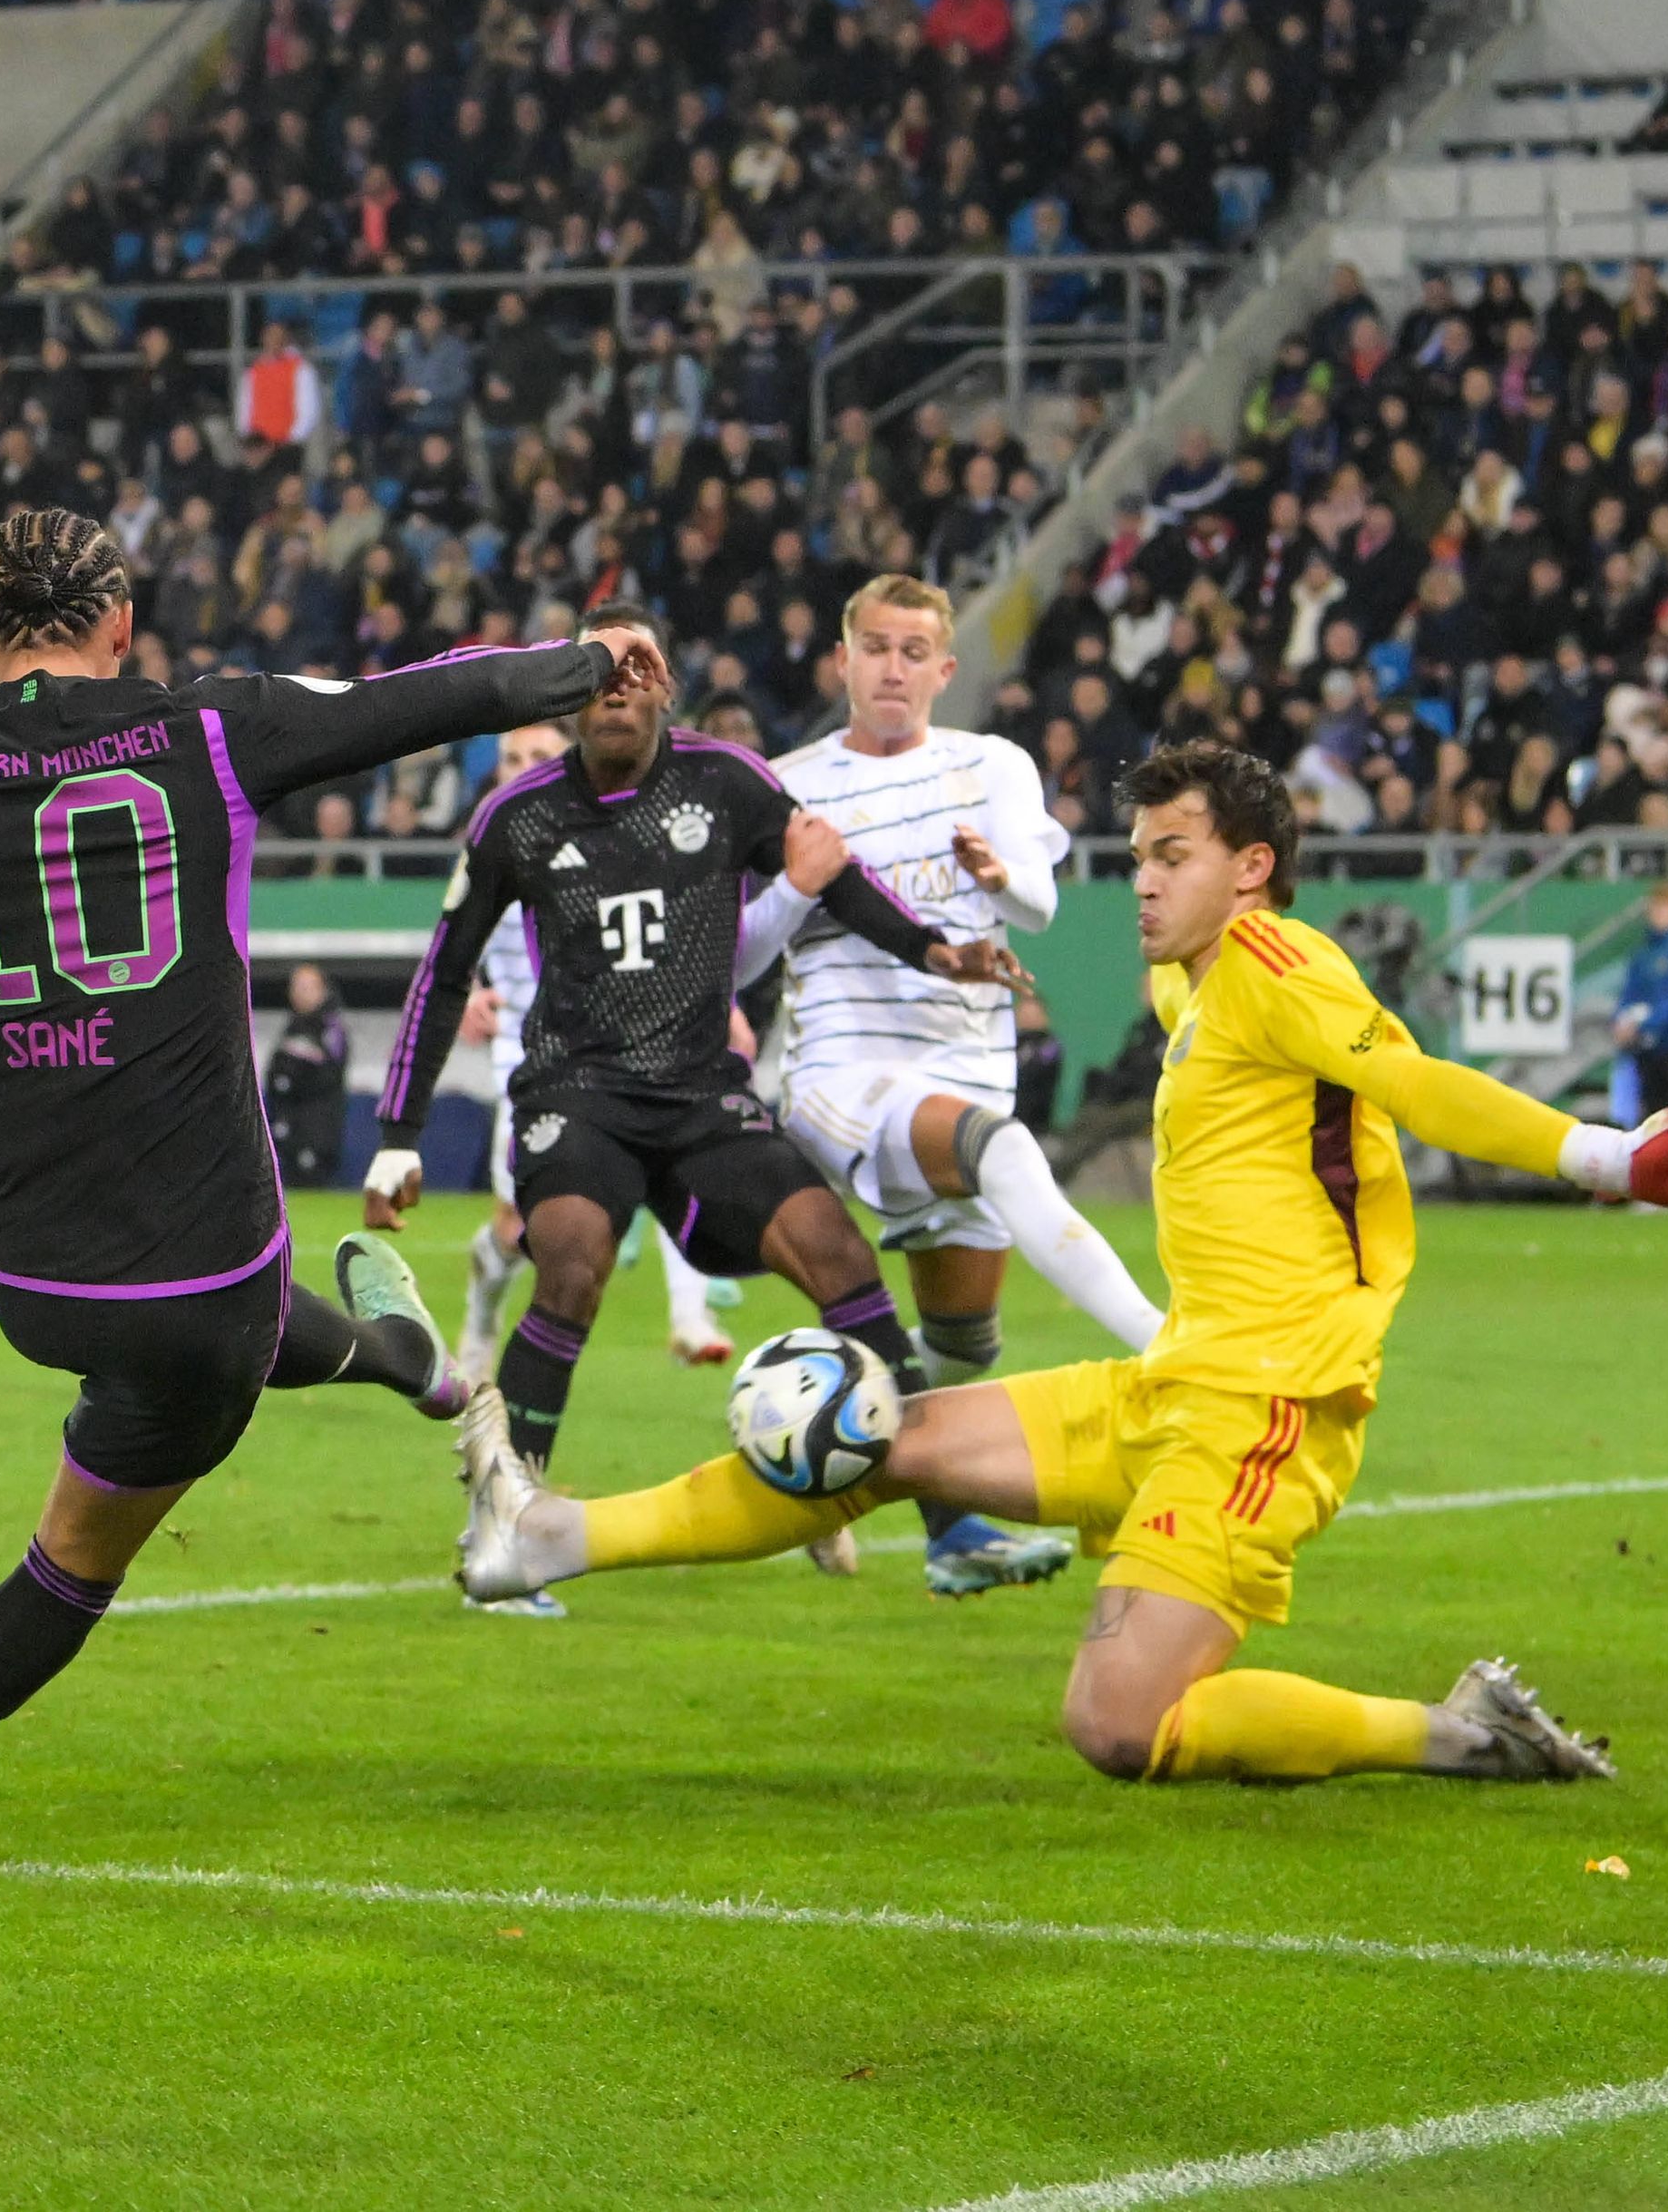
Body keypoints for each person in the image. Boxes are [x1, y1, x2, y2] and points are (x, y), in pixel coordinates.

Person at [0, 499, 655, 1863]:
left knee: (198, 1349)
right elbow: (423, 697)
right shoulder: (209, 729)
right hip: (210, 1273)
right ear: (122, 626)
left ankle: (425, 1370)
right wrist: (585, 663)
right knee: (96, 1526)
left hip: (32, 1281)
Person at [452, 743, 1668, 1785]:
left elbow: (1414, 1078)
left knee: (1116, 1722)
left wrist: (1610, 1159)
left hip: (1268, 1407)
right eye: (1137, 853)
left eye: (1172, 853)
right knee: (885, 1437)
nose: (1142, 880)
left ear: (1254, 868)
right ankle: (547, 1535)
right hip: (1180, 1381)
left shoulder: (1277, 961)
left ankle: (1460, 1733)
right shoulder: (1189, 979)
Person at [364, 604, 1058, 1589]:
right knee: (568, 1265)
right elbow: (441, 974)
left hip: (700, 1099)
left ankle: (950, 1528)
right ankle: (504, 1527)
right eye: (591, 667)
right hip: (577, 1095)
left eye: (635, 664)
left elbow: (835, 878)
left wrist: (938, 952)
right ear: (564, 691)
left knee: (837, 1254)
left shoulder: (725, 782)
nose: (614, 682)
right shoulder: (515, 818)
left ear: (665, 685)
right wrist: (399, 1130)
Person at [758, 576, 1167, 1592]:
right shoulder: (782, 786)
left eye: (913, 652)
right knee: (1003, 1150)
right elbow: (733, 955)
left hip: (963, 1064)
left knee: (960, 1342)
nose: (891, 668)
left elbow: (1036, 908)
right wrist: (788, 887)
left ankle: (864, 1494)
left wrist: (997, 880)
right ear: (841, 659)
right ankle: (1172, 1349)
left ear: (945, 669)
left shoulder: (992, 766)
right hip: (842, 1072)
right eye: (874, 647)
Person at [454, 723, 742, 1408]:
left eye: (538, 756)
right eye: (511, 758)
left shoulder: (622, 834)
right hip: (530, 1057)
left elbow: (667, 931)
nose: (523, 768)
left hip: (630, 1046)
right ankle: (482, 1300)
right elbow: (451, 945)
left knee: (675, 1161)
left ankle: (688, 1314)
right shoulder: (492, 841)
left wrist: (717, 1006)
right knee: (523, 1232)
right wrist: (469, 995)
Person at [1610, 881, 1668, 1125]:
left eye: (1665, 908)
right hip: (1647, 1049)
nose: (1659, 914)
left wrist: (1646, 1023)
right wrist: (1621, 1021)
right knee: (1652, 1119)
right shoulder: (1643, 952)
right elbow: (1629, 992)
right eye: (1656, 908)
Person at [265, 962, 351, 1186]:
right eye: (297, 987)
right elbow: (275, 1075)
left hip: (317, 1130)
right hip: (288, 1128)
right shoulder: (291, 1027)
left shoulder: (331, 1028)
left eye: (307, 987)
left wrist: (295, 1079)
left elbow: (329, 1077)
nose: (300, 993)